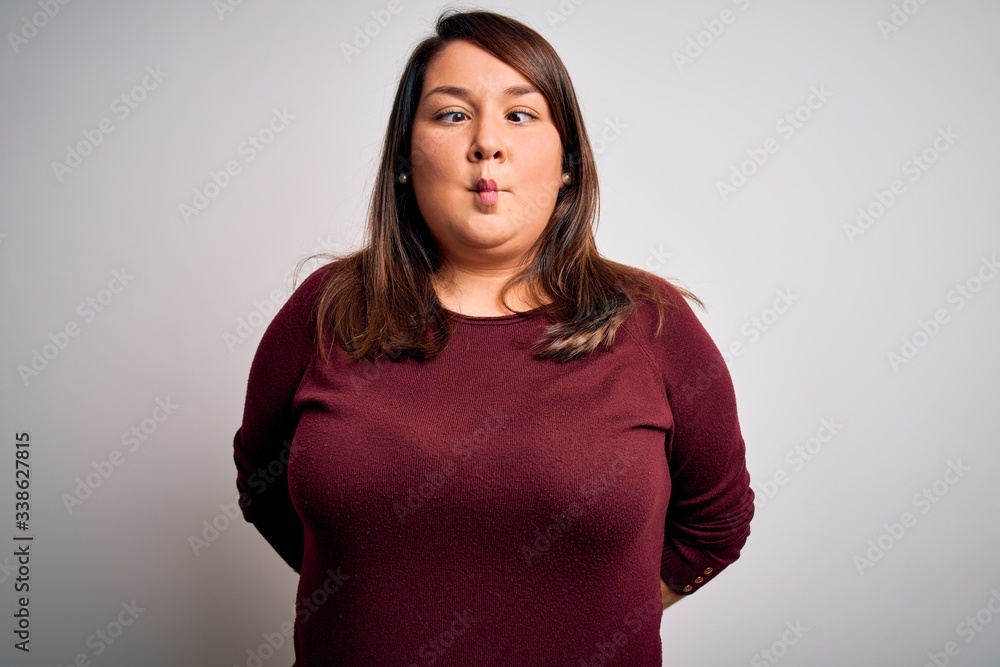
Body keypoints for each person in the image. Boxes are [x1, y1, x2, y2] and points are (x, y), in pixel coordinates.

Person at [232, 8, 754, 666]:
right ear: (405, 157)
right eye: (452, 114)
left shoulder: (651, 321)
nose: (486, 143)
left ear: (568, 163)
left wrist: (603, 616)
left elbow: (717, 523)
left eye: (520, 114)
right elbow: (263, 482)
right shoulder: (327, 309)